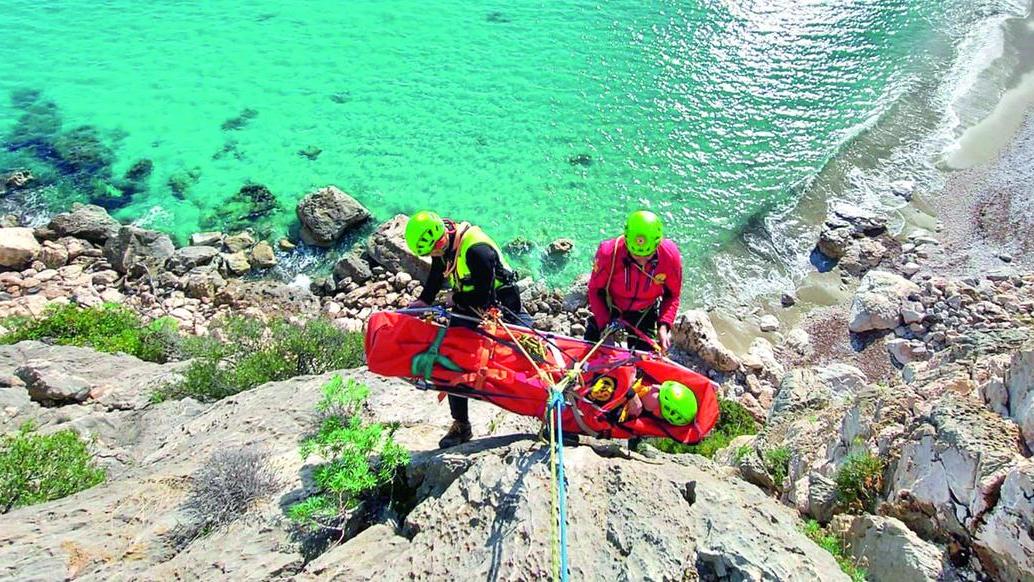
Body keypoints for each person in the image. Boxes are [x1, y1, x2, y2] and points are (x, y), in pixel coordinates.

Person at [404, 210, 530, 448]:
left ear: (442, 236)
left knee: (529, 354)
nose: (435, 253)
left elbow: (484, 296)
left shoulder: (476, 250)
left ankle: (553, 411)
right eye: (431, 252)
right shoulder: (445, 242)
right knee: (453, 361)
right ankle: (461, 425)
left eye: (435, 248)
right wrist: (424, 300)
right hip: (468, 302)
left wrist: (454, 299)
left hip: (501, 302)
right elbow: (438, 270)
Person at [585, 210, 683, 352]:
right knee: (591, 355)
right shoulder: (608, 253)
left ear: (657, 244)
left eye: (648, 256)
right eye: (636, 256)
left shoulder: (670, 256)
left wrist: (664, 325)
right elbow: (595, 290)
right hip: (611, 308)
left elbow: (672, 295)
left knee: (644, 363)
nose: (642, 262)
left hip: (644, 313)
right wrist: (604, 324)